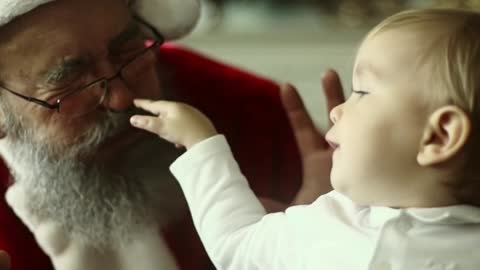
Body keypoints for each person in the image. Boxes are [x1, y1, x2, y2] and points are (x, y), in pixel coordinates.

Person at [0, 0, 345, 269]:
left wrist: (327, 235)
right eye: (69, 82)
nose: (121, 99)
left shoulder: (248, 110)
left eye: (127, 49)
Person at [130, 8, 480, 270]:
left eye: (361, 91)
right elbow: (241, 248)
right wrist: (201, 145)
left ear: (439, 135)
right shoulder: (326, 224)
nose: (337, 110)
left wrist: (201, 143)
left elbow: (235, 244)